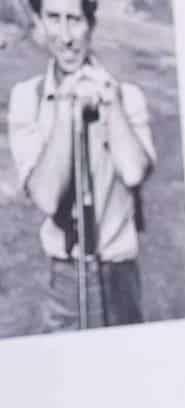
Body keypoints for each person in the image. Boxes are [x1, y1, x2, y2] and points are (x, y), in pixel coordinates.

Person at [7, 0, 154, 333]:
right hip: (66, 276)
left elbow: (133, 172)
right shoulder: (26, 98)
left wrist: (111, 104)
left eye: (74, 20)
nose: (65, 36)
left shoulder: (126, 96)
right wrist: (65, 111)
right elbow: (46, 198)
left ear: (91, 24)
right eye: (53, 19)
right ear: (40, 23)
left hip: (119, 272)